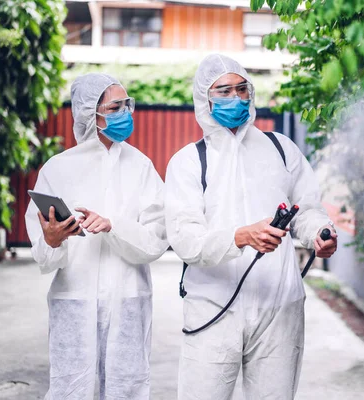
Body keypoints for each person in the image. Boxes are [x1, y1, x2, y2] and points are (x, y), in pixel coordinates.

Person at [164, 54, 338, 400]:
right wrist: (241, 236)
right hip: (213, 307)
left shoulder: (279, 148)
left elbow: (306, 209)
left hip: (279, 305)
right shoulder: (188, 162)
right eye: (224, 91)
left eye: (242, 89)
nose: (236, 97)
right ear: (205, 99)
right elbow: (185, 240)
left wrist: (320, 232)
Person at [25, 73, 168, 400]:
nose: (126, 114)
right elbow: (43, 254)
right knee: (71, 387)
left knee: (128, 387)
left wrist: (113, 225)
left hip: (129, 299)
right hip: (74, 299)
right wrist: (52, 240)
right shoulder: (57, 169)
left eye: (127, 105)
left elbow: (157, 238)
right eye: (116, 107)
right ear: (91, 113)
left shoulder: (141, 166)